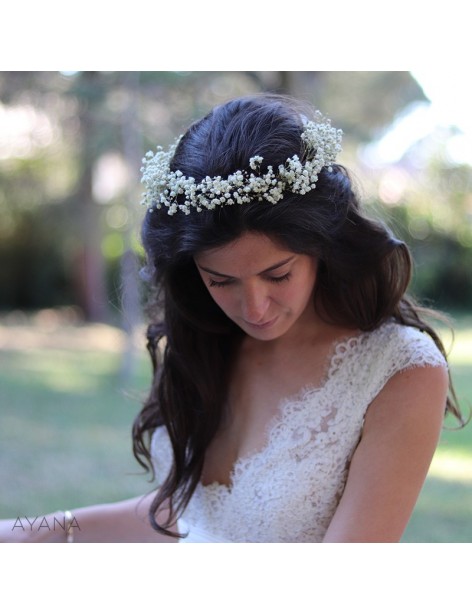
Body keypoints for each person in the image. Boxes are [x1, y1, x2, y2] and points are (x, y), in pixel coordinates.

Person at [1, 93, 465, 543]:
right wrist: (37, 532)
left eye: (277, 275)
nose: (254, 308)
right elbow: (190, 518)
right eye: (221, 281)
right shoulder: (211, 336)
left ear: (322, 245)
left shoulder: (399, 370)